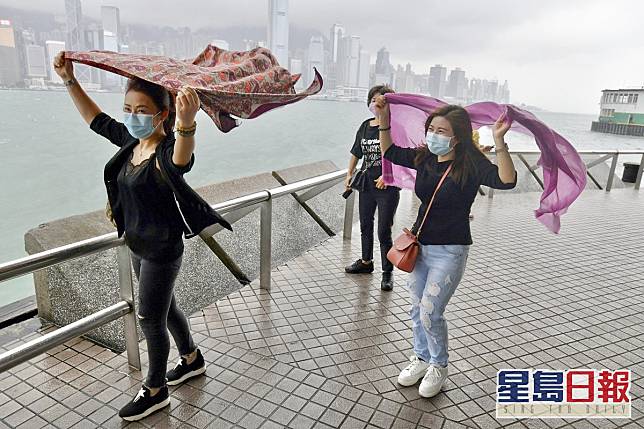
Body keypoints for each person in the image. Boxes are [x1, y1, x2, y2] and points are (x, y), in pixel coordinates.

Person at [53, 52, 231, 421]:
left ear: (161, 114)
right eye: (128, 108)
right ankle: (192, 359)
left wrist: (186, 123)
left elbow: (181, 159)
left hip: (162, 249)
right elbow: (95, 119)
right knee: (167, 309)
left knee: (150, 318)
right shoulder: (130, 144)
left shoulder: (166, 150)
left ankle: (155, 389)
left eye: (141, 110)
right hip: (136, 244)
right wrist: (70, 79)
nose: (132, 116)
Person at [373, 95, 517, 398]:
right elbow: (391, 152)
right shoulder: (425, 156)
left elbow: (506, 180)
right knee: (416, 308)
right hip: (420, 247)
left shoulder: (471, 163)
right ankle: (421, 358)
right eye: (432, 129)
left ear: (457, 137)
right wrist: (384, 121)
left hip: (450, 250)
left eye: (442, 131)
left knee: (430, 311)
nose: (434, 136)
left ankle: (439, 364)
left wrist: (499, 141)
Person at [344, 85, 400, 291]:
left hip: (388, 187)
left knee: (383, 231)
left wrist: (388, 176)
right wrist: (349, 174)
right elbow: (356, 152)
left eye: (382, 100)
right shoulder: (366, 125)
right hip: (367, 184)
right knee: (365, 225)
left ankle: (388, 273)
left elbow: (400, 157)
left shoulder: (394, 127)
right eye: (374, 99)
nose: (377, 104)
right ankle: (366, 263)